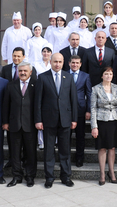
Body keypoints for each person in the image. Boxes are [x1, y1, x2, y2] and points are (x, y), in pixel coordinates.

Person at [34, 53, 78, 189]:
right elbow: (38, 102)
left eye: (60, 61)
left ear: (63, 62)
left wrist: (74, 119)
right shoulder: (42, 77)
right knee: (48, 151)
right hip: (48, 121)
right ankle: (49, 177)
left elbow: (73, 100)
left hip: (65, 120)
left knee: (65, 150)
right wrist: (38, 120)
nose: (57, 64)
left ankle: (66, 177)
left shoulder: (69, 77)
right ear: (50, 61)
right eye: (55, 61)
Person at [2, 62, 37, 187]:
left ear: (30, 72)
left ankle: (30, 176)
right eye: (20, 70)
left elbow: (38, 105)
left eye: (25, 71)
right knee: (15, 153)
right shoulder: (10, 85)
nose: (22, 73)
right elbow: (6, 105)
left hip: (30, 125)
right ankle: (17, 176)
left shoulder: (36, 85)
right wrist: (5, 122)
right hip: (14, 124)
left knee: (31, 152)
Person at [90, 67, 117, 185]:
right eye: (106, 74)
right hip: (101, 121)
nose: (108, 76)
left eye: (110, 74)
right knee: (102, 147)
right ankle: (102, 174)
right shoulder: (95, 89)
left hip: (114, 120)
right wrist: (94, 126)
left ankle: (112, 172)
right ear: (102, 76)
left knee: (112, 148)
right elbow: (93, 108)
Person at [68, 55, 92, 167]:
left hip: (80, 109)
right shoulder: (64, 74)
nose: (75, 65)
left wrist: (88, 110)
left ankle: (79, 158)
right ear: (69, 63)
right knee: (66, 136)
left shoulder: (85, 76)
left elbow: (89, 94)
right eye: (73, 62)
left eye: (77, 63)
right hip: (66, 110)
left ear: (80, 64)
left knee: (80, 136)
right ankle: (66, 158)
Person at [32, 43, 53, 150]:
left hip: (52, 92)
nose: (46, 53)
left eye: (48, 51)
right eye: (44, 51)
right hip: (40, 91)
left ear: (51, 53)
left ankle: (54, 141)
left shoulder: (53, 64)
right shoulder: (36, 64)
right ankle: (41, 142)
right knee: (41, 117)